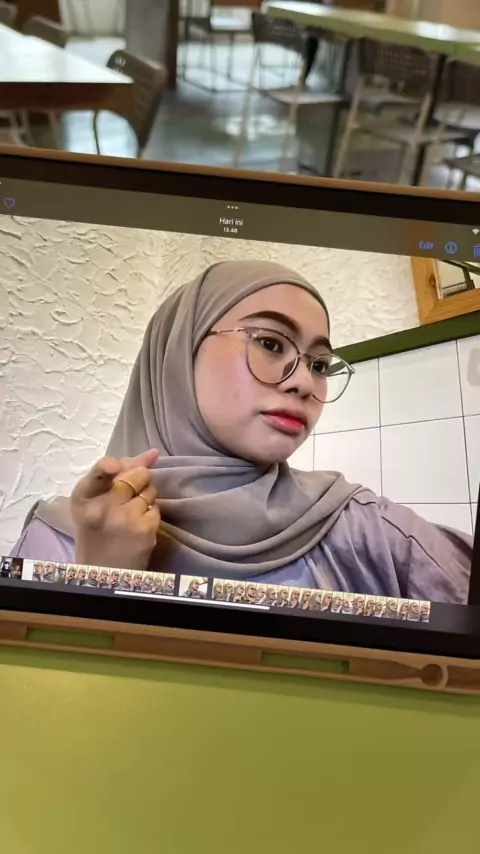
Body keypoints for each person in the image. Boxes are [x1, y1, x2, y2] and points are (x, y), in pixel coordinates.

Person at [9, 261, 471, 603]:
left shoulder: (361, 528)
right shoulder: (59, 540)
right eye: (270, 343)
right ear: (178, 354)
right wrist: (97, 580)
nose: (303, 382)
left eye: (320, 365)